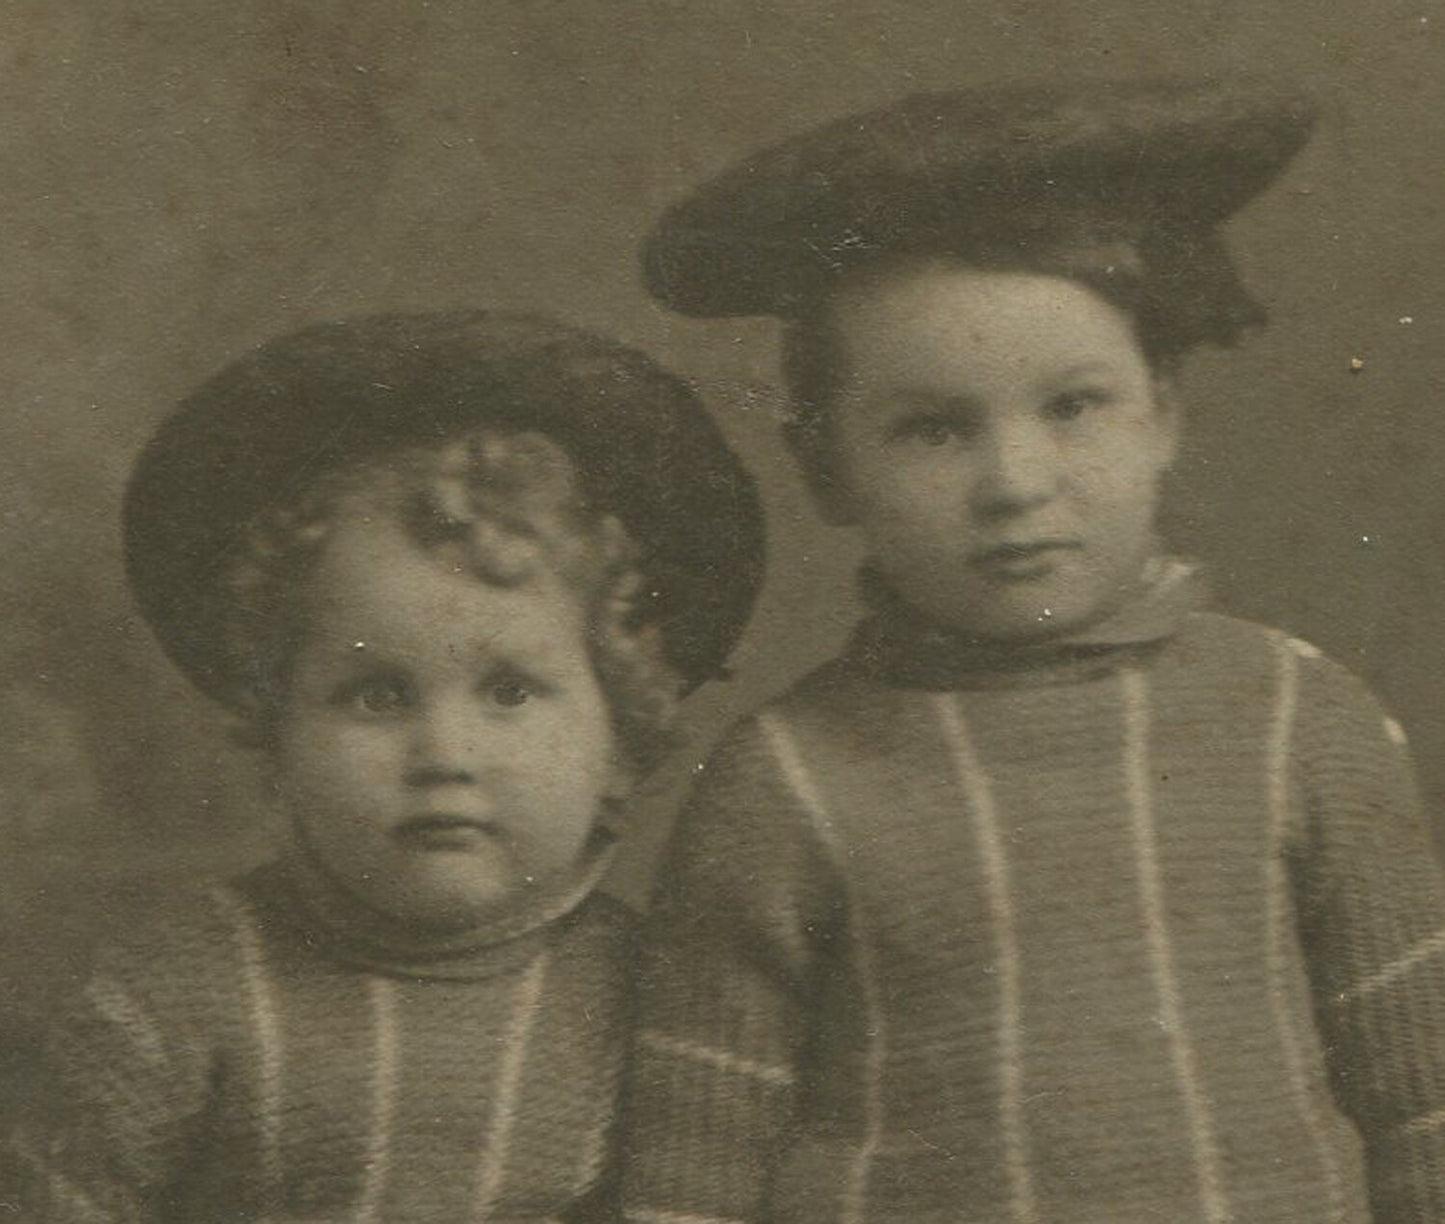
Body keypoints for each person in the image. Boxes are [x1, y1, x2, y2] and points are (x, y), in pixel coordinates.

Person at [622, 79, 1445, 1223]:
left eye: (1071, 406)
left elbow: (1424, 1106)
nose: (1013, 484)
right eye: (934, 428)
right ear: (825, 468)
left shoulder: (1298, 723)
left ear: (1160, 412)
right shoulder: (787, 783)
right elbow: (688, 1178)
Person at [2, 311, 764, 1223]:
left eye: (512, 692)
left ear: (622, 740)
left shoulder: (664, 1009)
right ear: (275, 733)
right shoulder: (168, 1001)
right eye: (375, 695)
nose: (443, 755)